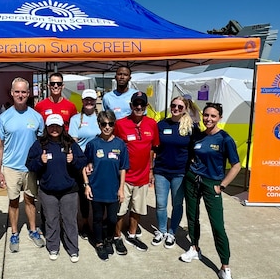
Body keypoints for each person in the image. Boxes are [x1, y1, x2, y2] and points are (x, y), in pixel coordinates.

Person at [180, 102, 241, 279]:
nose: (208, 119)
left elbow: (236, 165)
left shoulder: (225, 139)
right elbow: (192, 153)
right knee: (192, 217)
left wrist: (221, 186)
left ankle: (225, 267)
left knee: (217, 226)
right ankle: (195, 248)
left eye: (213, 116)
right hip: (192, 180)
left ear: (219, 118)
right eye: (206, 115)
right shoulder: (198, 135)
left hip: (212, 184)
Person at [26, 114, 87, 262]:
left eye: (57, 126)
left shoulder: (70, 143)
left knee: (69, 220)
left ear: (62, 127)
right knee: (51, 220)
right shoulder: (39, 144)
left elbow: (83, 161)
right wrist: (40, 161)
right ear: (47, 127)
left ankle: (73, 249)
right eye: (51, 126)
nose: (54, 129)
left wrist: (73, 161)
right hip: (48, 191)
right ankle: (53, 247)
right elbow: (30, 164)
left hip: (69, 190)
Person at [0, 77, 45, 253]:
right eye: (17, 91)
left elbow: (41, 142)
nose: (20, 95)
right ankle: (14, 232)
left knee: (31, 200)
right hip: (11, 168)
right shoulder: (3, 118)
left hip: (30, 168)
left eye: (23, 91)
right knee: (13, 202)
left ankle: (33, 230)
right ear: (11, 93)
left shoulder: (37, 117)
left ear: (29, 93)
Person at [113, 91, 159, 254]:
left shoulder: (152, 124)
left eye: (142, 104)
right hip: (124, 176)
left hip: (143, 176)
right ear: (131, 106)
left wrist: (151, 170)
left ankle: (132, 236)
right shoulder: (120, 124)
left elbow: (153, 148)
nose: (139, 107)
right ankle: (117, 237)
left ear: (146, 106)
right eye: (136, 104)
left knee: (137, 209)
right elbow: (114, 145)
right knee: (120, 210)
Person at [152, 96, 199, 249]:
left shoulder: (191, 127)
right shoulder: (162, 124)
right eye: (174, 106)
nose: (176, 109)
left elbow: (197, 147)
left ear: (185, 109)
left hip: (180, 172)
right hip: (161, 171)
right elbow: (155, 147)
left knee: (177, 204)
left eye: (180, 107)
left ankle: (172, 232)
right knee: (160, 204)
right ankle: (162, 230)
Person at [83, 110, 129, 261]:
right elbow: (84, 165)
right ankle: (99, 242)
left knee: (111, 219)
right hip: (96, 188)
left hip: (113, 189)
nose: (107, 127)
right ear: (99, 125)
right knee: (96, 218)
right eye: (104, 124)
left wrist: (121, 189)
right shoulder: (92, 145)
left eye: (110, 124)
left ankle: (109, 239)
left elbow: (123, 168)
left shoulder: (120, 144)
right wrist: (87, 185)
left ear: (114, 124)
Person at [69, 89, 100, 239]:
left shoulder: (101, 118)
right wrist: (83, 163)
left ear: (95, 102)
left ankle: (98, 223)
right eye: (86, 100)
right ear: (82, 101)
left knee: (97, 194)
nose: (89, 102)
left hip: (98, 163)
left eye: (92, 100)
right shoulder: (76, 119)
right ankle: (85, 223)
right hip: (81, 163)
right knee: (83, 196)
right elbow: (73, 143)